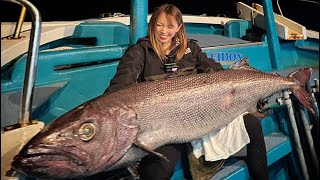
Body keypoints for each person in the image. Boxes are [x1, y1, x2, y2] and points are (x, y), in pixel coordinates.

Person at [104, 3, 268, 180]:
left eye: (170, 26)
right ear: (152, 25)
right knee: (155, 172)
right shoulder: (140, 52)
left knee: (252, 124)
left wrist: (243, 95)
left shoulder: (191, 49)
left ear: (179, 28)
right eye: (159, 25)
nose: (163, 31)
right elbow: (119, 86)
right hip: (164, 127)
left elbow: (219, 74)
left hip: (203, 116)